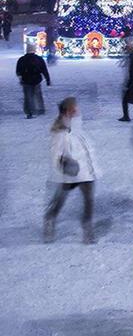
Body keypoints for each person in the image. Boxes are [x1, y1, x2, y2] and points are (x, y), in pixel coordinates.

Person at [44, 97, 97, 244]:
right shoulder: (59, 132)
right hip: (69, 173)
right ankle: (50, 220)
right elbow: (55, 155)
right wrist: (62, 168)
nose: (78, 110)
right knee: (60, 199)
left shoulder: (76, 125)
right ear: (68, 111)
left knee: (89, 200)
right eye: (75, 108)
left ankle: (88, 230)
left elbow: (85, 146)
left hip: (85, 171)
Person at [16, 44, 51, 118]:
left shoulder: (22, 59)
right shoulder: (39, 59)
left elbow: (18, 71)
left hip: (26, 80)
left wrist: (21, 77)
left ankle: (29, 110)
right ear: (34, 50)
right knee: (38, 95)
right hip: (36, 80)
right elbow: (44, 70)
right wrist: (47, 79)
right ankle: (40, 109)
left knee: (28, 96)